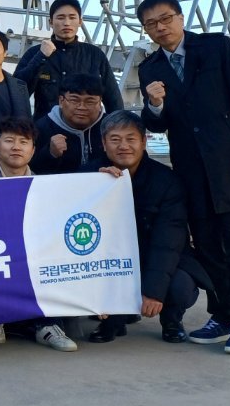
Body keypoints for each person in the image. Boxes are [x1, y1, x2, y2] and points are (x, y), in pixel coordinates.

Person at [137, 0, 230, 354]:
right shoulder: (150, 68)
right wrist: (153, 105)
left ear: (180, 17)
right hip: (192, 173)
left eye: (165, 18)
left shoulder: (216, 47)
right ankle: (223, 314)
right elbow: (158, 125)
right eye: (151, 24)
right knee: (210, 248)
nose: (160, 27)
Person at [91, 110, 214, 344]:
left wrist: (154, 291)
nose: (123, 146)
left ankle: (171, 320)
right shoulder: (92, 173)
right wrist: (93, 183)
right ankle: (112, 321)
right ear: (104, 144)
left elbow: (168, 241)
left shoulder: (167, 180)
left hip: (156, 255)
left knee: (180, 286)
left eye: (131, 139)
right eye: (115, 140)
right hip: (113, 260)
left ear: (144, 141)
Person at [0, 118, 79, 353]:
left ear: (33, 150)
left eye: (24, 142)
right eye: (9, 141)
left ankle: (47, 325)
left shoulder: (43, 184)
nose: (16, 147)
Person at [14, 0, 124, 119]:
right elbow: (17, 92)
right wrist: (41, 57)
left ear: (80, 22)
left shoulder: (94, 54)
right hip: (45, 130)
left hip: (86, 130)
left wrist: (115, 128)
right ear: (50, 22)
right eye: (60, 18)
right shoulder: (35, 53)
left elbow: (113, 98)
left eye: (72, 18)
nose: (66, 23)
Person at [32, 73, 107, 176]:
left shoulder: (111, 127)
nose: (82, 107)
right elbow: (31, 170)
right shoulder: (41, 128)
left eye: (90, 101)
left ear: (99, 103)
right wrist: (50, 154)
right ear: (61, 101)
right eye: (74, 100)